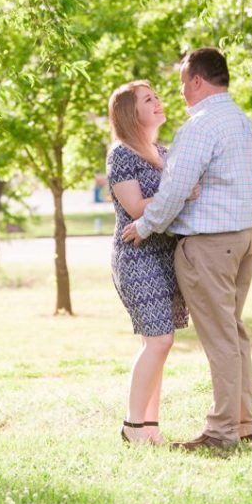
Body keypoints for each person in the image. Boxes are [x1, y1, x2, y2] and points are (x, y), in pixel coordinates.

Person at [122, 47, 252, 452]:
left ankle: (221, 433)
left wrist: (145, 227)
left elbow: (173, 191)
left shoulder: (200, 127)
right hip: (244, 240)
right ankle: (242, 422)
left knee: (221, 339)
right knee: (234, 334)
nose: (180, 92)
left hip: (209, 245)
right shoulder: (242, 122)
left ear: (197, 81)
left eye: (183, 83)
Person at [106, 80, 196, 446]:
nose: (158, 102)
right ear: (131, 112)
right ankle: (132, 426)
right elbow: (136, 208)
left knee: (161, 343)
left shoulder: (163, 151)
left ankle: (150, 427)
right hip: (137, 256)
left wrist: (183, 192)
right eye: (148, 99)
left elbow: (180, 196)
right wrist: (180, 191)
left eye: (156, 97)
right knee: (158, 341)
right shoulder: (122, 154)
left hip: (165, 255)